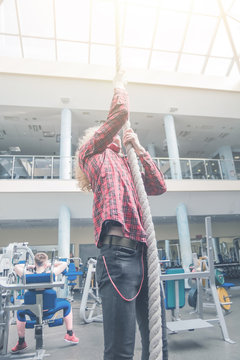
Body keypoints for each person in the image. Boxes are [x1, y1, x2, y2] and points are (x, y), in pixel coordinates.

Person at [76, 72, 168, 360]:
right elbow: (119, 114)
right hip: (117, 258)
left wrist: (139, 150)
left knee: (158, 343)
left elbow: (157, 186)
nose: (113, 134)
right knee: (120, 350)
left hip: (144, 256)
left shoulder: (126, 164)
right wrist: (120, 89)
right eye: (105, 132)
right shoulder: (91, 155)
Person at [11, 252, 79, 354]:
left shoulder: (26, 275)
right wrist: (49, 264)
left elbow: (16, 266)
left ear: (35, 262)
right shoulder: (51, 274)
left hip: (32, 311)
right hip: (50, 309)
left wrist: (30, 265)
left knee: (19, 312)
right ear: (46, 262)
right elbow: (64, 264)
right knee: (67, 305)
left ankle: (21, 342)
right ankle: (70, 334)